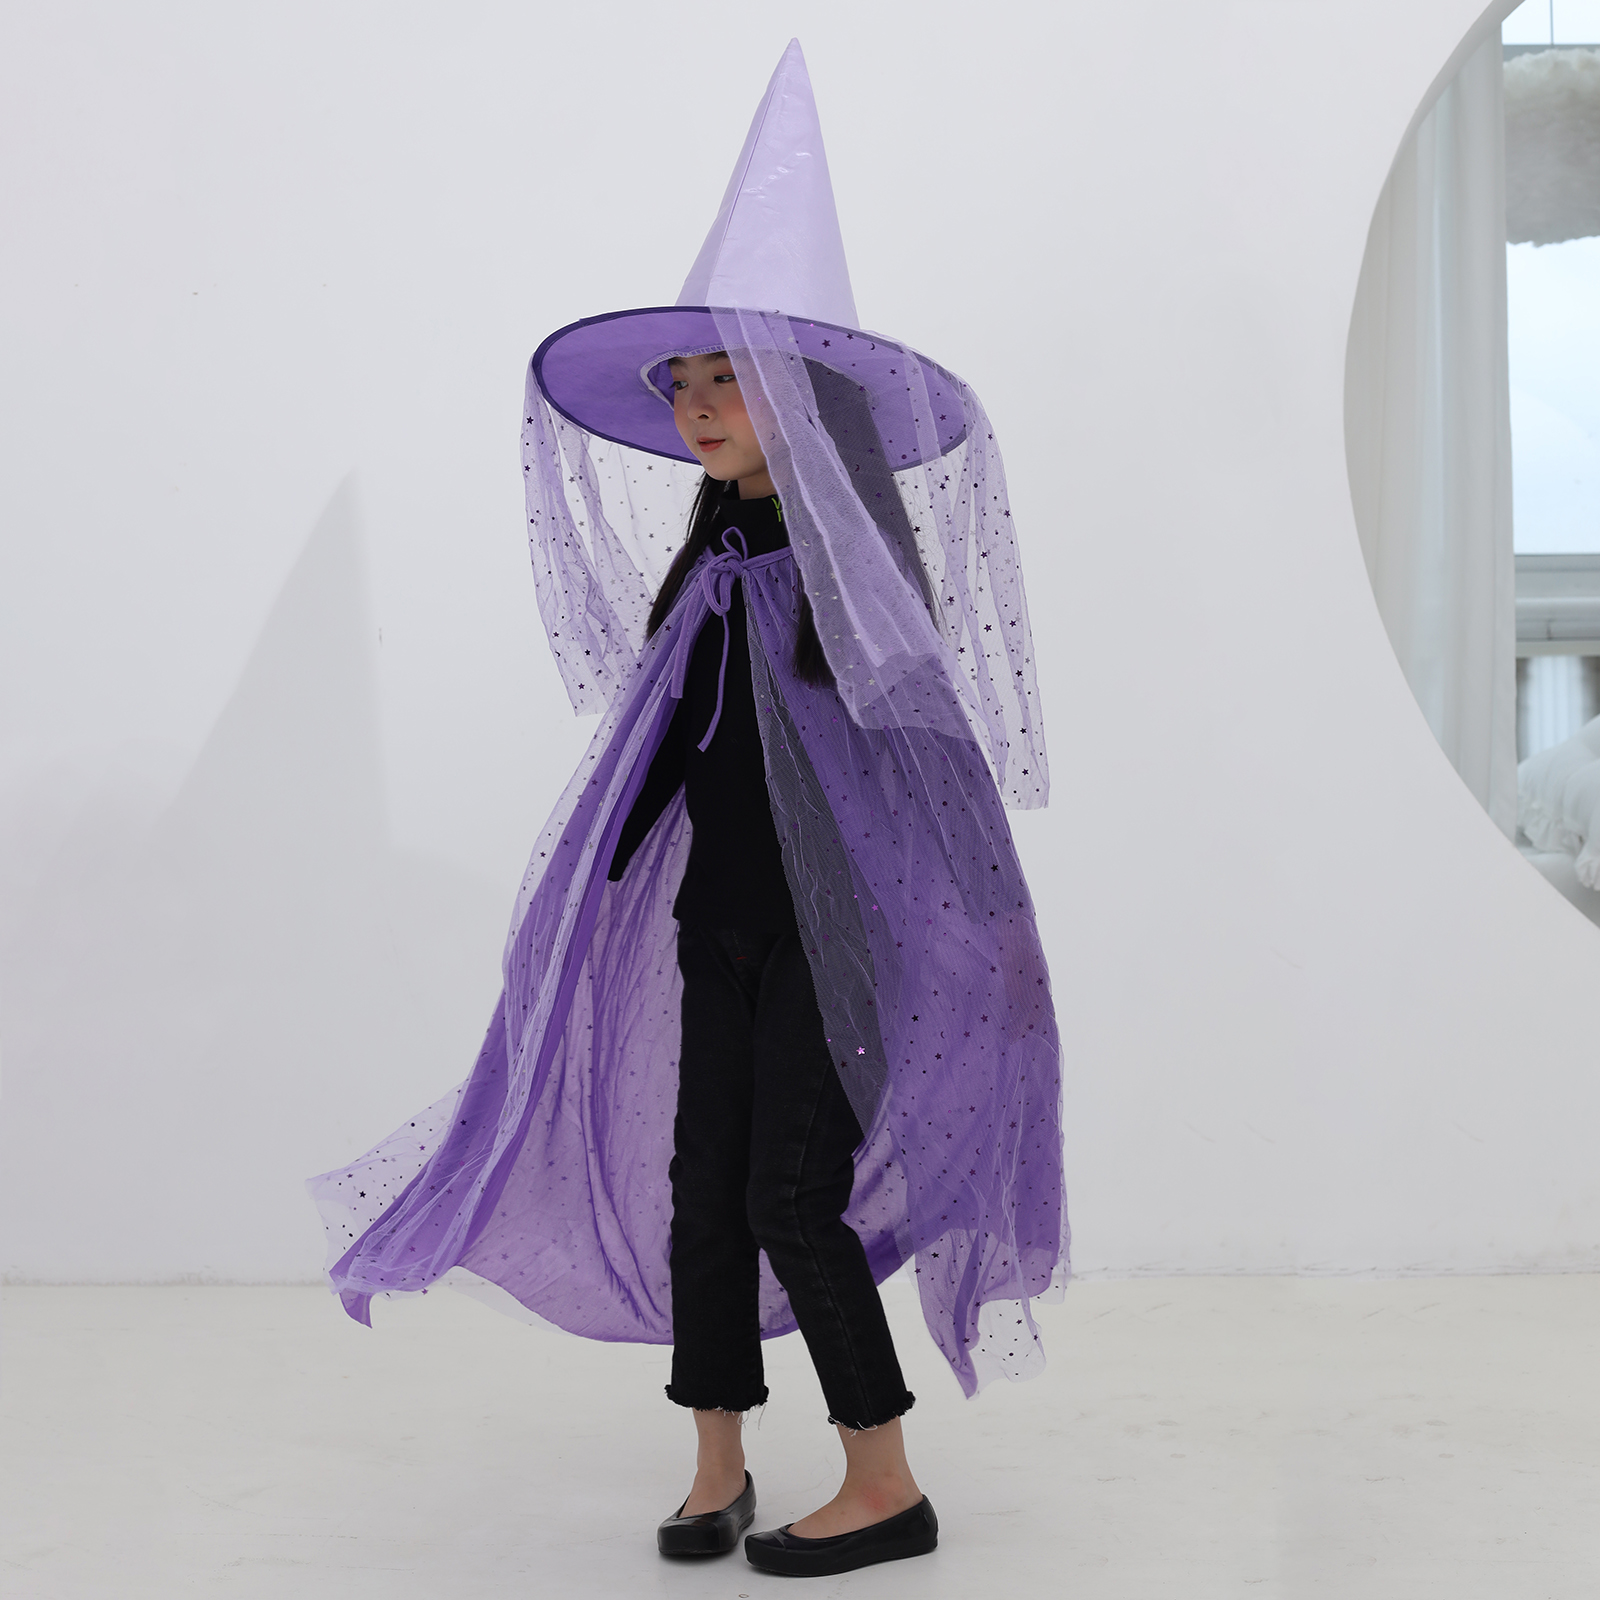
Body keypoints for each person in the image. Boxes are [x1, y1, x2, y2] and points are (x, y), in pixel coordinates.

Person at [309, 41, 1065, 1582]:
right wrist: (574, 914)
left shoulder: (857, 590)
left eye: (729, 376)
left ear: (801, 396)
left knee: (793, 1192)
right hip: (717, 927)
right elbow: (661, 757)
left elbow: (938, 777)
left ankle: (885, 1481)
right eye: (686, 382)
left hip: (832, 949)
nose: (698, 404)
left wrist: (996, 936)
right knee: (701, 1195)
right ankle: (717, 1459)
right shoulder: (713, 571)